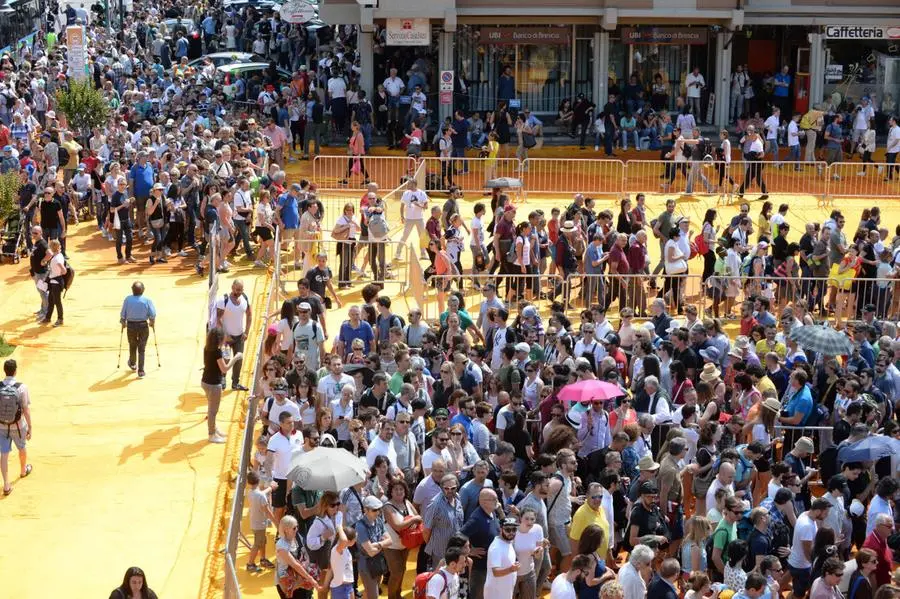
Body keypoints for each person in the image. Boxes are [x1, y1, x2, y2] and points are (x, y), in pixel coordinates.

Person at [0, 359, 32, 496]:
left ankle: (6, 485)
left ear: (4, 370)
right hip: (18, 426)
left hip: (1, 426)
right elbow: (26, 410)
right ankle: (23, 470)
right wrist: (30, 427)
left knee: (4, 455)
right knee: (22, 448)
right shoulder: (22, 387)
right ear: (16, 370)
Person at [215, 280, 252, 392]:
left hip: (239, 336)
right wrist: (225, 335)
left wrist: (246, 332)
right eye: (237, 290)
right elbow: (217, 318)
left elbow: (249, 315)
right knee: (225, 359)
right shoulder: (224, 300)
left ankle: (235, 382)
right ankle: (222, 379)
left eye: (241, 290)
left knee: (238, 360)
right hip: (226, 338)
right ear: (232, 287)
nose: (239, 292)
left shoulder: (245, 298)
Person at [276, 515, 321, 599]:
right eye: (294, 528)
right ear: (286, 530)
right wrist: (311, 580)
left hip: (301, 579)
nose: (296, 529)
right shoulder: (281, 545)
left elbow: (305, 555)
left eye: (297, 527)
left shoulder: (297, 538)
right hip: (288, 582)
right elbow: (295, 565)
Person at [356, 495, 391, 599]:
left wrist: (378, 545)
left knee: (368, 593)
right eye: (374, 510)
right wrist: (383, 545)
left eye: (379, 509)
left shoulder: (379, 521)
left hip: (377, 563)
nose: (378, 512)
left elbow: (390, 540)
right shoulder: (360, 526)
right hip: (367, 567)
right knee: (373, 596)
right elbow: (370, 552)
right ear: (365, 510)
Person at [120, 281, 156, 379]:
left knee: (132, 345)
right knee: (142, 349)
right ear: (143, 290)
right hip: (143, 325)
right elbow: (152, 314)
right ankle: (141, 371)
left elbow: (123, 313)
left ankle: (132, 363)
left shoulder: (128, 299)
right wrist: (152, 322)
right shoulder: (147, 300)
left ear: (132, 290)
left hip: (131, 326)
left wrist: (123, 322)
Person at [486, 516, 520, 599]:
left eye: (514, 530)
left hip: (505, 591)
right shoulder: (496, 548)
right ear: (501, 529)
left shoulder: (508, 542)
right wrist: (511, 569)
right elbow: (496, 572)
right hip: (496, 593)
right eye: (508, 530)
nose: (511, 532)